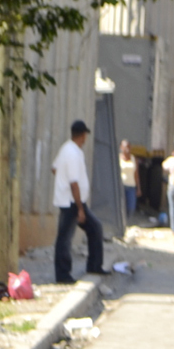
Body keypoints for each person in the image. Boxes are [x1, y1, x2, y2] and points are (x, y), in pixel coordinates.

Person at [51, 119, 104, 284]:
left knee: (95, 228)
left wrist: (61, 181)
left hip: (72, 200)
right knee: (65, 239)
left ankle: (94, 265)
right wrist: (80, 208)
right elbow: (74, 182)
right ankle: (63, 275)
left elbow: (55, 168)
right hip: (72, 202)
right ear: (82, 135)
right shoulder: (73, 153)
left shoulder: (67, 148)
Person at [118, 141, 138, 216]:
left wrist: (138, 188)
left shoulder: (133, 159)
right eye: (125, 147)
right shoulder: (118, 158)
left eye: (128, 147)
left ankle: (127, 222)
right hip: (122, 186)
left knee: (131, 207)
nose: (127, 149)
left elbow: (136, 174)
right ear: (121, 148)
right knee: (122, 206)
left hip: (131, 186)